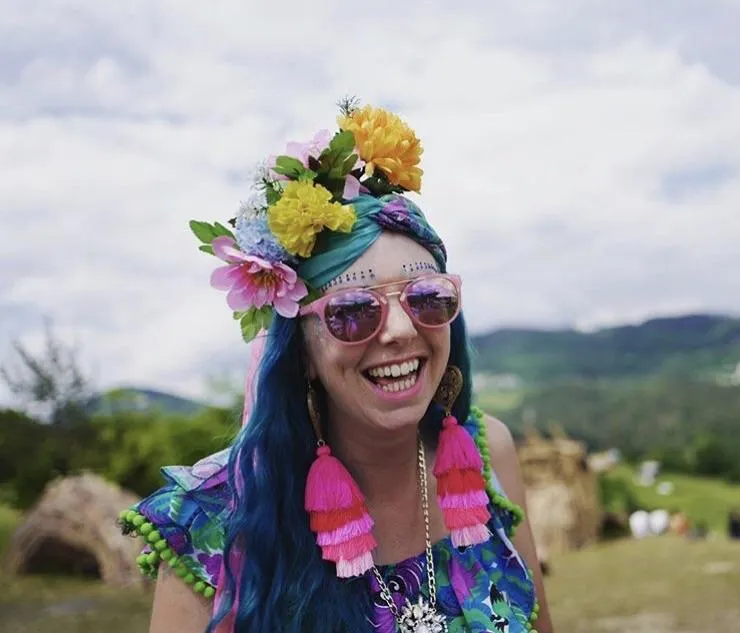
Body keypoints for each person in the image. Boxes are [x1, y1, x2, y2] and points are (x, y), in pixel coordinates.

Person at [119, 100, 553, 633]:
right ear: (301, 351)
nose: (399, 331)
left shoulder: (489, 457)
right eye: (352, 311)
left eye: (427, 298)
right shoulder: (212, 522)